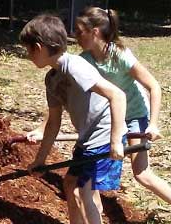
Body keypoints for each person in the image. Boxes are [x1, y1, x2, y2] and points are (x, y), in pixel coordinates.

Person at [76, 7, 171, 224]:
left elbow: (154, 86)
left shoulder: (120, 56)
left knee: (141, 173)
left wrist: (153, 124)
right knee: (92, 175)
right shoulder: (84, 60)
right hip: (108, 120)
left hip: (134, 115)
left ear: (94, 31)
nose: (76, 36)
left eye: (80, 32)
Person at [20, 14, 127, 224]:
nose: (28, 55)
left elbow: (117, 95)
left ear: (39, 47)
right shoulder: (52, 79)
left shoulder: (75, 67)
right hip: (88, 140)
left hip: (103, 137)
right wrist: (40, 160)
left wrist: (115, 141)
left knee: (80, 191)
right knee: (70, 184)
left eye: (28, 50)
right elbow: (53, 122)